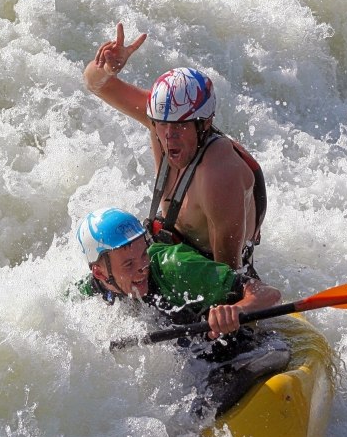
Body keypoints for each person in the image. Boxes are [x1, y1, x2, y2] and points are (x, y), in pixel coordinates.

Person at [83, 23, 266, 275]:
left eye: (180, 128)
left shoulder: (219, 174)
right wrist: (104, 69)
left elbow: (229, 279)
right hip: (173, 244)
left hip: (209, 268)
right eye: (162, 125)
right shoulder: (159, 119)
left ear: (205, 124)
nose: (169, 137)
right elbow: (96, 84)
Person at [75, 207, 280, 340]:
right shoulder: (92, 290)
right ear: (100, 274)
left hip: (234, 338)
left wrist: (237, 311)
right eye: (128, 264)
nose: (142, 267)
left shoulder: (176, 266)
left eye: (143, 254)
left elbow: (268, 293)